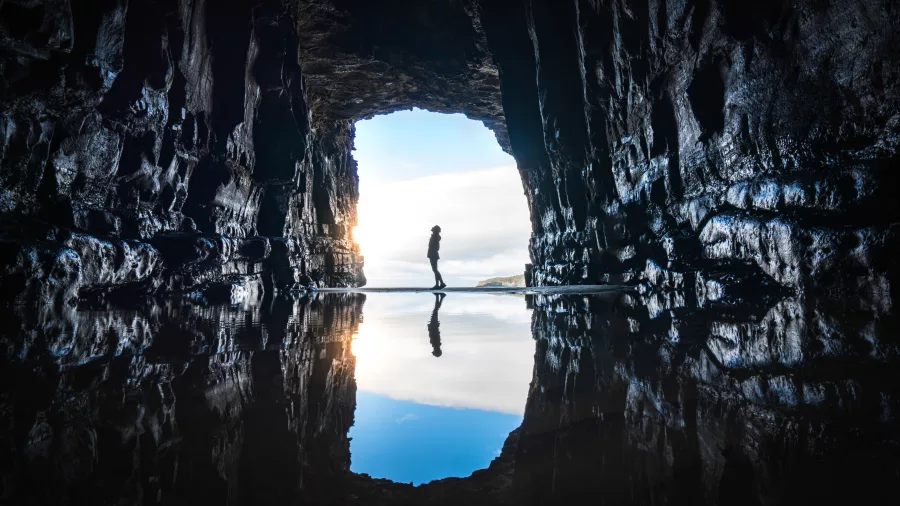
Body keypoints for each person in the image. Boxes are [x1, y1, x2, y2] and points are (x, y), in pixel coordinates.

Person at [427, 225, 446, 289]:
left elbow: (435, 247)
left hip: (433, 254)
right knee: (435, 270)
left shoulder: (435, 238)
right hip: (433, 254)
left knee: (435, 270)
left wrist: (432, 251)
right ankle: (438, 284)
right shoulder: (435, 237)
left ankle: (441, 283)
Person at [427, 292, 445, 357]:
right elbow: (433, 334)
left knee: (435, 311)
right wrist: (430, 328)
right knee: (435, 310)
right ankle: (441, 297)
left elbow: (432, 335)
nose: (433, 351)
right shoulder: (436, 344)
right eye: (434, 352)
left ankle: (439, 297)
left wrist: (429, 328)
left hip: (434, 326)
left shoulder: (437, 344)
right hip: (434, 327)